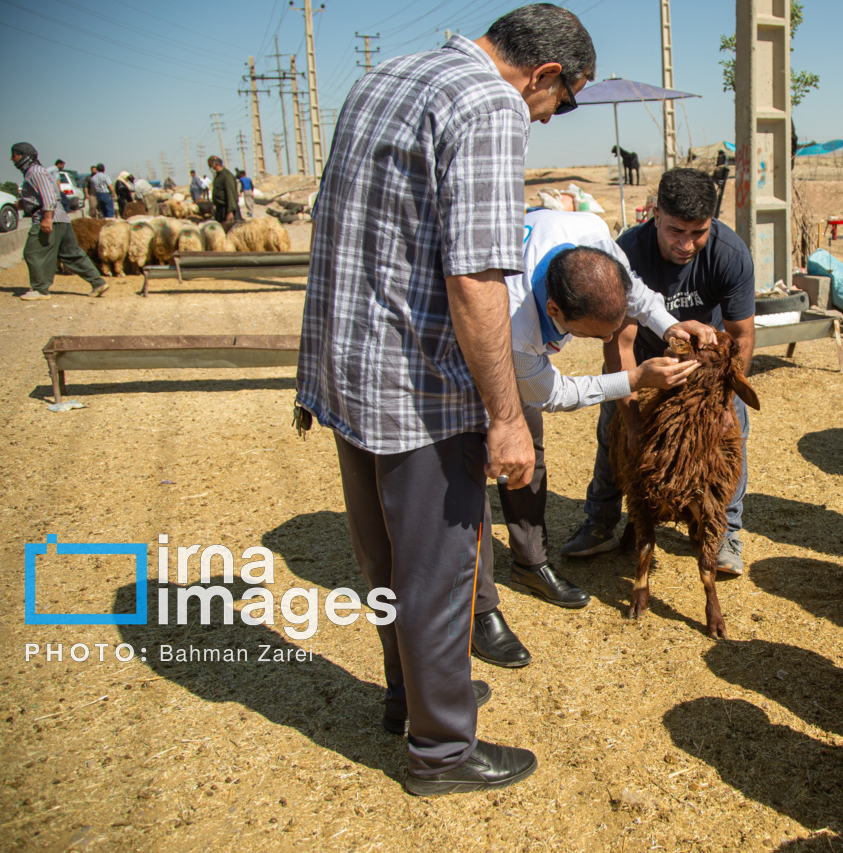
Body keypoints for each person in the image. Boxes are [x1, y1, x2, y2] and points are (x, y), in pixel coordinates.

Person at [296, 4, 595, 798]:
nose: (550, 119)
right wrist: (506, 417)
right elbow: (475, 276)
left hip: (350, 368)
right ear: (546, 75)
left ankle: (412, 699)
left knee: (385, 558)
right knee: (436, 569)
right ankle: (441, 750)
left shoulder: (384, 76)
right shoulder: (491, 104)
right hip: (419, 384)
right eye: (560, 106)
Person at [475, 209, 713, 662]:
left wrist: (669, 326)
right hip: (468, 350)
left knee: (531, 457)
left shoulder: (592, 234)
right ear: (554, 311)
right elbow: (553, 393)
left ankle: (530, 561)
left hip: (538, 325)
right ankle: (477, 604)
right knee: (486, 458)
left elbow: (636, 293)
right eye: (594, 335)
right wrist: (634, 379)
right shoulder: (516, 324)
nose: (608, 340)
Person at [562, 168, 756, 575]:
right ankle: (601, 521)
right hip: (645, 359)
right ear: (655, 214)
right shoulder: (627, 252)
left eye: (698, 232)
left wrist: (724, 398)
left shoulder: (729, 253)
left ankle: (726, 530)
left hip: (706, 370)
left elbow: (741, 335)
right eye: (675, 231)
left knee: (731, 431)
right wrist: (632, 418)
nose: (686, 244)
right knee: (614, 426)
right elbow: (621, 344)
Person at [10, 142, 109, 300]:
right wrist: (25, 203)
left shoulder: (34, 172)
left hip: (49, 218)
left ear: (22, 155)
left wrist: (47, 218)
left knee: (33, 252)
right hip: (61, 218)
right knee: (71, 254)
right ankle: (98, 282)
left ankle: (40, 289)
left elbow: (48, 195)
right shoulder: (38, 171)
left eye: (14, 155)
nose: (12, 158)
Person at [208, 156, 240, 224]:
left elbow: (231, 194)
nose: (211, 169)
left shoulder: (226, 176)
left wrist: (230, 211)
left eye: (212, 167)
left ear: (216, 165)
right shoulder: (219, 176)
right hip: (220, 209)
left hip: (227, 209)